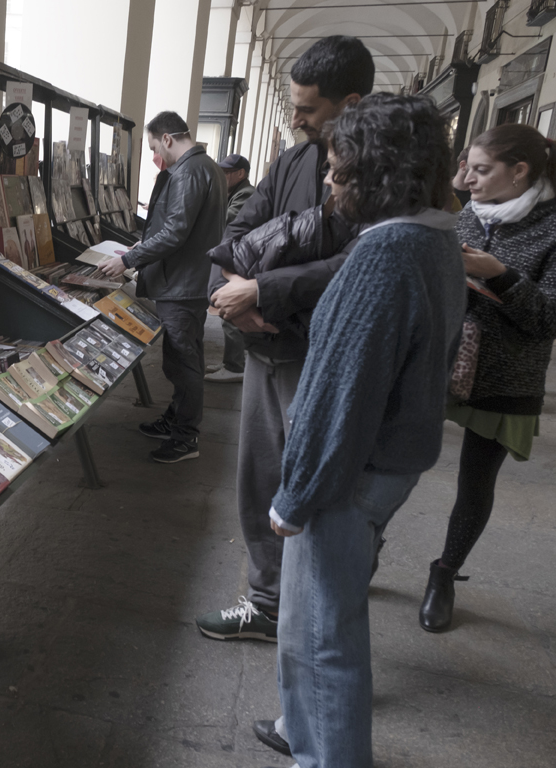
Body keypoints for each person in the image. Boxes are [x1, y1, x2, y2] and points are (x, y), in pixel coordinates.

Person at [254, 93, 465, 768]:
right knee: (313, 619)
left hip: (352, 473)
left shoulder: (386, 254)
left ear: (381, 177)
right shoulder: (436, 239)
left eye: (341, 172)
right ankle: (305, 732)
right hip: (391, 459)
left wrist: (296, 493)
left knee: (325, 636)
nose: (328, 183)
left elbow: (340, 393)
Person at [195, 35, 375, 642]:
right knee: (258, 477)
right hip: (265, 347)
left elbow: (361, 261)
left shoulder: (378, 169)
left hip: (321, 355)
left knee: (317, 488)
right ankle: (268, 600)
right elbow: (242, 226)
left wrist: (262, 293)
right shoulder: (295, 159)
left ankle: (322, 595)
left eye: (309, 109)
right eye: (293, 106)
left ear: (350, 102)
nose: (295, 120)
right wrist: (238, 298)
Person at [418, 124, 556, 633]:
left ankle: (445, 574)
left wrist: (500, 274)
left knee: (475, 482)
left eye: (479, 170)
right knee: (399, 457)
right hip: (440, 360)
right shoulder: (465, 213)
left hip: (504, 374)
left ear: (519, 171)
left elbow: (549, 320)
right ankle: (368, 545)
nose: (465, 179)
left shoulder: (552, 228)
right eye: (464, 167)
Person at [99, 111, 227, 464]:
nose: (158, 156)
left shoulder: (188, 172)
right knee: (185, 357)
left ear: (168, 138)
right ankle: (176, 419)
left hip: (182, 284)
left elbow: (174, 231)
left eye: (156, 147)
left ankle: (186, 437)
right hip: (191, 280)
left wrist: (128, 260)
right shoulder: (209, 167)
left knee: (183, 362)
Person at [206, 153, 255, 384]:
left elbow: (226, 220)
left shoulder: (246, 193)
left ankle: (235, 366)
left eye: (226, 172)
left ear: (240, 174)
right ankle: (232, 361)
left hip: (240, 261)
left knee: (231, 313)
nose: (222, 176)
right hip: (237, 258)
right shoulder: (236, 192)